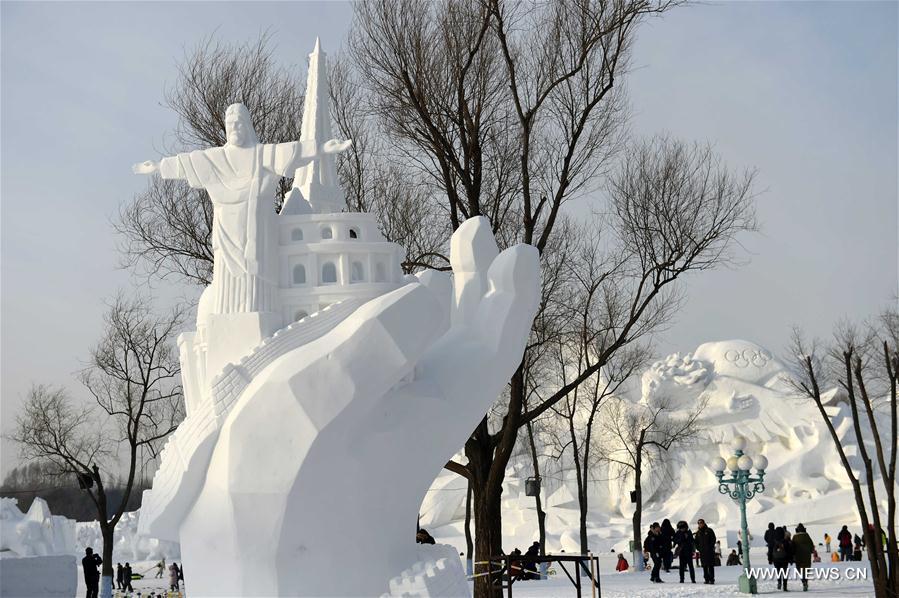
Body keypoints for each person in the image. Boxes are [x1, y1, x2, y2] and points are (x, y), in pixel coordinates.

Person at [694, 519, 717, 584]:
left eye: (701, 523)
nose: (700, 524)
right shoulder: (698, 533)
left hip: (709, 551)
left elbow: (713, 539)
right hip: (702, 552)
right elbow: (696, 542)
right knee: (704, 566)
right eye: (699, 523)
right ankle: (706, 579)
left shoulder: (709, 530)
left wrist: (710, 546)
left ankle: (712, 579)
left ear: (704, 523)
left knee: (710, 566)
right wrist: (699, 548)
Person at [793, 523, 815, 592]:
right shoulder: (807, 535)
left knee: (799, 569)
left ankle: (803, 581)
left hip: (798, 556)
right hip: (807, 555)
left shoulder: (795, 537)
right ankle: (805, 581)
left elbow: (792, 546)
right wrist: (811, 551)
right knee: (806, 569)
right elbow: (811, 545)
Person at [772, 527, 793, 591]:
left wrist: (770, 559)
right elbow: (789, 551)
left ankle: (779, 583)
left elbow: (770, 551)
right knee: (784, 572)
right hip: (784, 559)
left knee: (778, 571)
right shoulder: (785, 541)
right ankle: (785, 586)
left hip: (776, 559)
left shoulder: (774, 541)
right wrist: (790, 559)